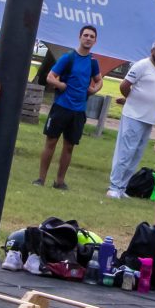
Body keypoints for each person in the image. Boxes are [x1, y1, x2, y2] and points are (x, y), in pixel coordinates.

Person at [34, 24, 101, 191]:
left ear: (95, 41)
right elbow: (50, 77)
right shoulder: (68, 58)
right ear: (80, 37)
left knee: (69, 146)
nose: (88, 38)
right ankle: (41, 179)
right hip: (61, 107)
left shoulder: (93, 62)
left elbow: (99, 81)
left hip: (78, 111)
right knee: (51, 142)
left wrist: (93, 90)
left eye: (91, 36)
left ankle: (59, 181)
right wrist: (61, 85)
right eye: (85, 35)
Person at [105, 40, 155, 199]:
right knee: (125, 152)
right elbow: (124, 86)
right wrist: (131, 100)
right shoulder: (142, 65)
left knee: (136, 155)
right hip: (134, 115)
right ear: (152, 50)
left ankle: (123, 187)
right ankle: (114, 186)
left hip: (149, 119)